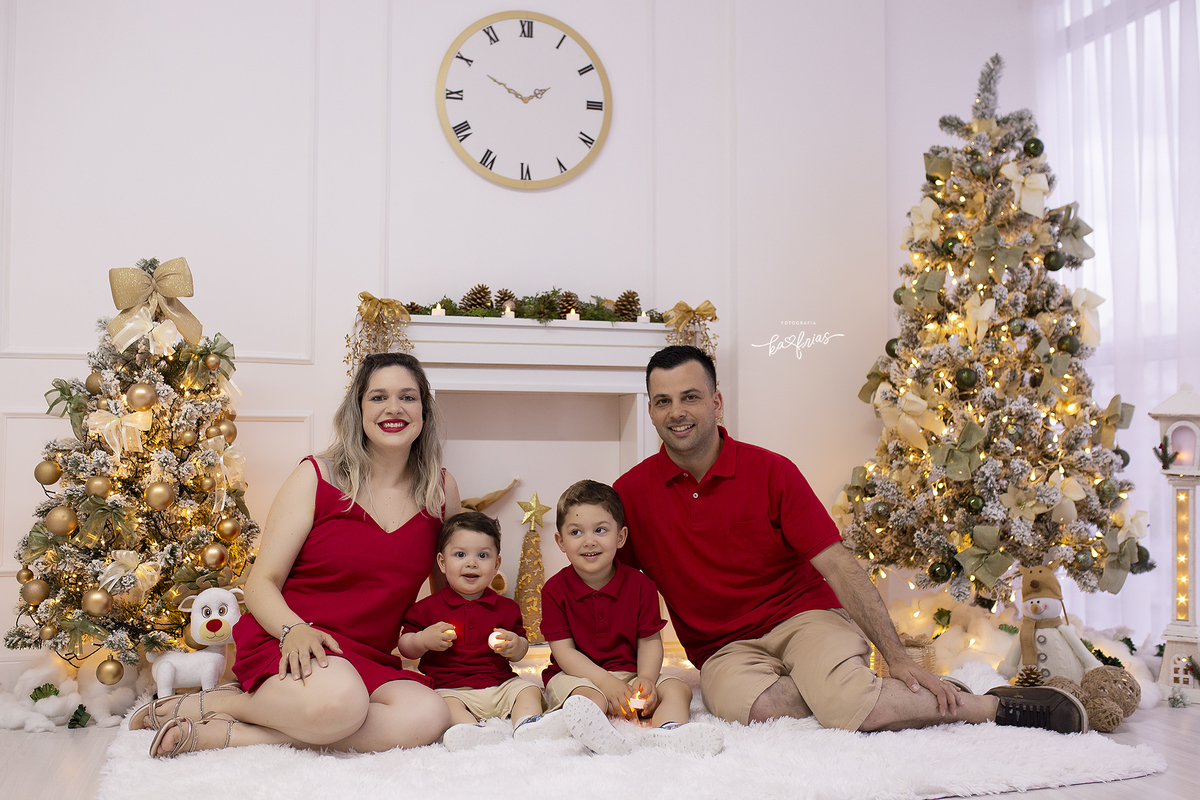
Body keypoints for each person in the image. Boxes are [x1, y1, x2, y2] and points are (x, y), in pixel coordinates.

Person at [613, 345, 1088, 736]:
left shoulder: (771, 472)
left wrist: (897, 658)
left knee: (851, 708)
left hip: (804, 618)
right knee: (757, 711)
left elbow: (838, 565)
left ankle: (988, 707)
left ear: (716, 404)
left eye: (690, 397)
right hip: (724, 649)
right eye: (663, 401)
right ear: (652, 409)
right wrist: (598, 677)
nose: (677, 413)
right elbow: (610, 582)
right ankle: (853, 690)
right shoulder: (630, 494)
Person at [135, 352, 462, 757]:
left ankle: (233, 727)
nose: (393, 408)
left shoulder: (441, 492)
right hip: (289, 638)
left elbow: (450, 593)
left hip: (368, 657)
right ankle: (220, 703)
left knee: (428, 716)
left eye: (407, 397)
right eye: (378, 397)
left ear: (424, 412)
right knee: (340, 703)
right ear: (358, 410)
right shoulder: (316, 476)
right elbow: (260, 584)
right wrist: (294, 630)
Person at [538, 479, 724, 756]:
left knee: (677, 688)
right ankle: (599, 734)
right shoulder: (554, 590)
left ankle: (667, 731)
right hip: (578, 675)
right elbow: (564, 652)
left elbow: (649, 641)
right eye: (576, 532)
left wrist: (647, 679)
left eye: (600, 530)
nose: (589, 541)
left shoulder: (642, 586)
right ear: (561, 541)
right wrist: (604, 683)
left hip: (631, 672)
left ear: (621, 537)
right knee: (587, 699)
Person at [399, 511, 546, 750]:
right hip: (452, 689)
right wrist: (424, 639)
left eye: (483, 555)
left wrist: (515, 645)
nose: (471, 563)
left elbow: (521, 649)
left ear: (496, 564)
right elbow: (406, 647)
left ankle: (527, 724)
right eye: (460, 554)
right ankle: (470, 731)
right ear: (442, 563)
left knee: (528, 689)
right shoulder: (427, 608)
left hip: (500, 685)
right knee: (443, 706)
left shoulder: (507, 608)